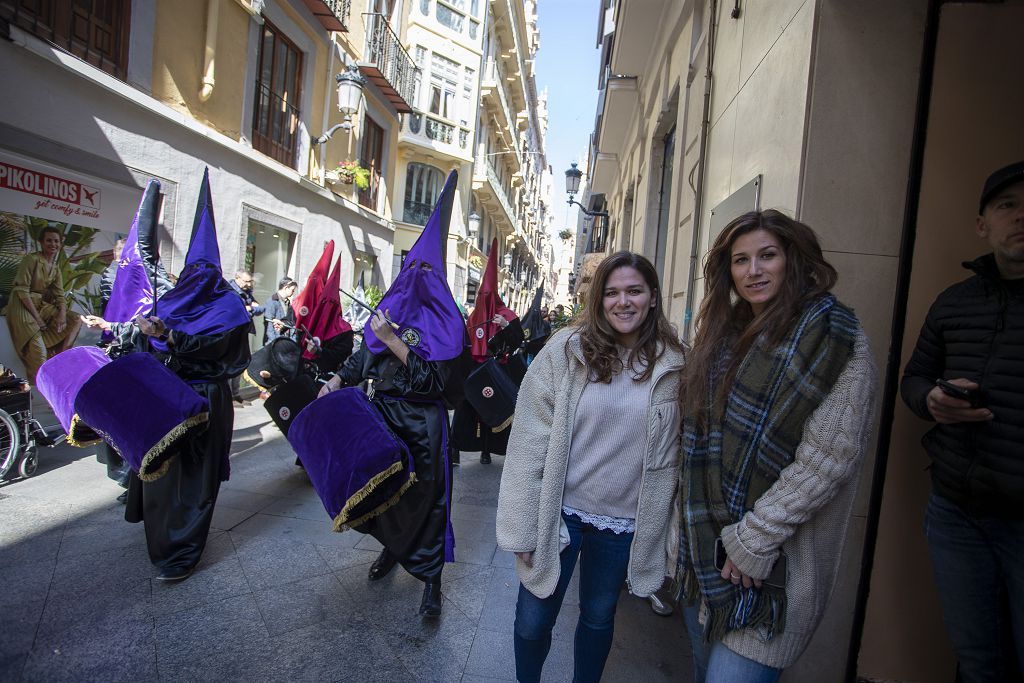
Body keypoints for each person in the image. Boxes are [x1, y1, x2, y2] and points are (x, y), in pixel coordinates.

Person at [677, 210, 876, 682]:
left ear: (794, 258)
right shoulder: (721, 334)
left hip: (770, 570)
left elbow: (827, 459)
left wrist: (753, 540)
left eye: (767, 255)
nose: (754, 270)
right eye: (741, 260)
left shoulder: (833, 335)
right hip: (704, 553)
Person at [496, 251, 685, 683]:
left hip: (623, 522)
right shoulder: (566, 351)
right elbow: (528, 442)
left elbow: (678, 456)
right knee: (533, 619)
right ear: (599, 300)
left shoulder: (675, 365)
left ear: (653, 297)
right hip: (557, 515)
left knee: (598, 618)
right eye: (612, 293)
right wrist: (522, 524)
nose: (623, 302)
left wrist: (668, 531)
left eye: (634, 291)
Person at [82, 170, 251, 582]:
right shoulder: (175, 300)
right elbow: (149, 340)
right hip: (167, 398)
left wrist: (169, 335)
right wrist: (142, 333)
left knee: (196, 479)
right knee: (162, 473)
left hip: (206, 401)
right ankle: (160, 540)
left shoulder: (229, 307)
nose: (197, 279)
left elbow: (217, 349)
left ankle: (182, 552)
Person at [317, 170, 466, 617]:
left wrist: (399, 342)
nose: (416, 276)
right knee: (383, 497)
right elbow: (364, 356)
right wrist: (337, 380)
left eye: (425, 270)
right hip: (383, 418)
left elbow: (439, 384)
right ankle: (391, 550)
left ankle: (431, 580)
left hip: (424, 425)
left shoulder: (446, 324)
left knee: (427, 501)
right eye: (411, 268)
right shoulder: (388, 309)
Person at [901, 160, 1024, 683]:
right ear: (983, 225)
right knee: (978, 658)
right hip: (957, 510)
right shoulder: (954, 302)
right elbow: (914, 377)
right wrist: (932, 400)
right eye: (1007, 205)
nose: (1021, 216)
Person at [452, 238, 523, 465]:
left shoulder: (508, 314)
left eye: (488, 297)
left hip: (496, 371)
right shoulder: (474, 316)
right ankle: (455, 450)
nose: (485, 301)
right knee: (464, 411)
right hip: (473, 371)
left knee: (492, 412)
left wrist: (505, 326)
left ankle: (487, 451)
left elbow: (518, 340)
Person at [3, 226, 81, 382]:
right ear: (41, 242)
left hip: (40, 305)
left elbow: (60, 295)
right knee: (38, 354)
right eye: (49, 240)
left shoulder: (56, 268)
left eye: (56, 241)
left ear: (61, 243)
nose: (53, 244)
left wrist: (63, 315)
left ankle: (60, 358)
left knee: (77, 319)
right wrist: (38, 319)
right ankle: (38, 391)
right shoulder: (31, 260)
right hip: (22, 306)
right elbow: (22, 290)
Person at [263, 276, 297, 344]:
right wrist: (273, 343)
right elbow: (269, 324)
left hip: (284, 341)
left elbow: (291, 321)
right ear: (286, 288)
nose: (293, 292)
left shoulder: (287, 302)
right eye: (292, 290)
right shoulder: (272, 301)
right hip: (274, 342)